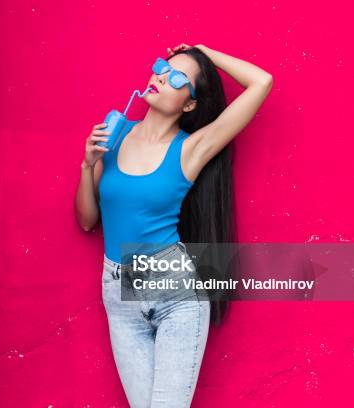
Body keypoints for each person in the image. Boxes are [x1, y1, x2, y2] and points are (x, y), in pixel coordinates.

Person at [74, 43, 273, 407]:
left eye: (177, 77)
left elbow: (262, 82)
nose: (161, 76)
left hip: (174, 291)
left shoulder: (191, 149)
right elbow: (88, 221)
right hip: (118, 291)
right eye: (161, 68)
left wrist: (204, 52)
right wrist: (88, 165)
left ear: (190, 104)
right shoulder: (113, 137)